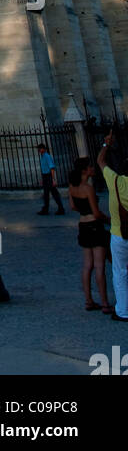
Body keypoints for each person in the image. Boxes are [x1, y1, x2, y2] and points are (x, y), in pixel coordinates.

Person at [67, 158, 111, 312]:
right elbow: (97, 213)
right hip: (94, 225)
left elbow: (72, 206)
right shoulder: (88, 188)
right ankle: (105, 303)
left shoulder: (72, 186)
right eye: (90, 166)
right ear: (84, 170)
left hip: (83, 225)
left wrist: (83, 211)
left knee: (87, 265)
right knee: (99, 265)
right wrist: (109, 219)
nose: (93, 168)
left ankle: (88, 300)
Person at [97, 132, 128, 322]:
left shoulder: (115, 180)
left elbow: (100, 161)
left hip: (119, 234)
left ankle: (123, 311)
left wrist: (106, 143)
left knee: (119, 273)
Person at [37, 145, 65, 215]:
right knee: (47, 193)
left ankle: (60, 208)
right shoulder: (42, 156)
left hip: (49, 176)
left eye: (40, 148)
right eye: (38, 149)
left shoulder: (47, 156)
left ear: (43, 149)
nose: (39, 150)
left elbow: (52, 168)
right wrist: (42, 178)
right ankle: (47, 209)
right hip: (45, 176)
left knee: (53, 193)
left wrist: (53, 179)